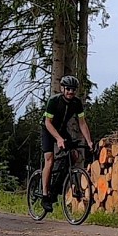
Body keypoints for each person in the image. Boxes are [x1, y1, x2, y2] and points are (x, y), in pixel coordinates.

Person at [40, 75, 94, 212]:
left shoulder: (76, 103)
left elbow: (82, 123)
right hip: (48, 129)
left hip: (61, 130)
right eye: (68, 89)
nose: (71, 92)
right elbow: (48, 122)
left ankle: (58, 186)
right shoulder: (54, 101)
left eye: (73, 90)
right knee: (49, 160)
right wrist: (58, 139)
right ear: (62, 88)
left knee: (74, 156)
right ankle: (45, 195)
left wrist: (89, 141)